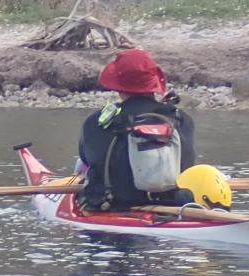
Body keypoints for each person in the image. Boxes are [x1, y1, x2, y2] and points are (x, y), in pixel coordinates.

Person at [75, 48, 200, 211]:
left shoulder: (96, 122)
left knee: (80, 167)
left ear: (117, 86)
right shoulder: (181, 119)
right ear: (154, 82)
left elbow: (87, 159)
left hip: (112, 208)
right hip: (172, 208)